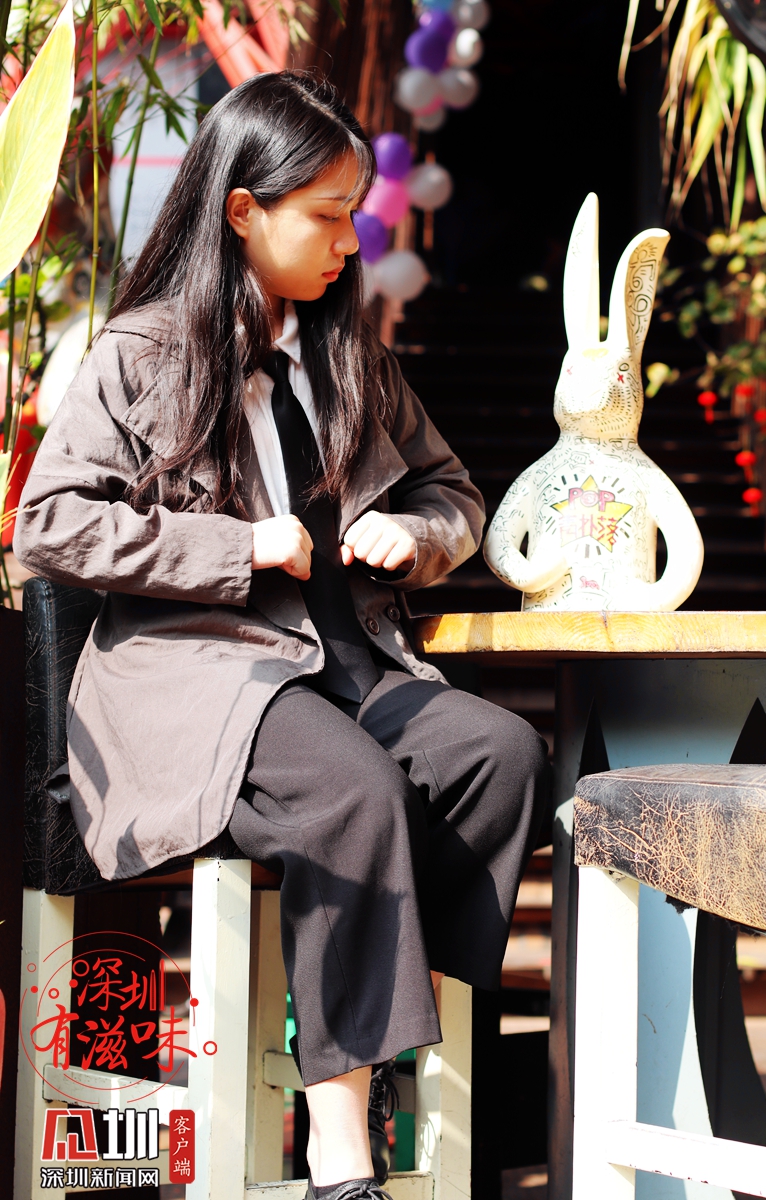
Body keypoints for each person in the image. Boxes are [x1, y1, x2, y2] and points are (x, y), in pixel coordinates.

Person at [14, 72, 551, 1200]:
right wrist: (235, 547)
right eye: (326, 214)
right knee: (354, 791)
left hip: (353, 667)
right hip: (206, 678)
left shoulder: (353, 359)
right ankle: (341, 1152)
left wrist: (417, 533)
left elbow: (456, 494)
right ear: (242, 210)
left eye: (354, 213)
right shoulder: (139, 354)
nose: (350, 241)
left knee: (501, 755)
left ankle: (384, 1040)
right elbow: (48, 525)